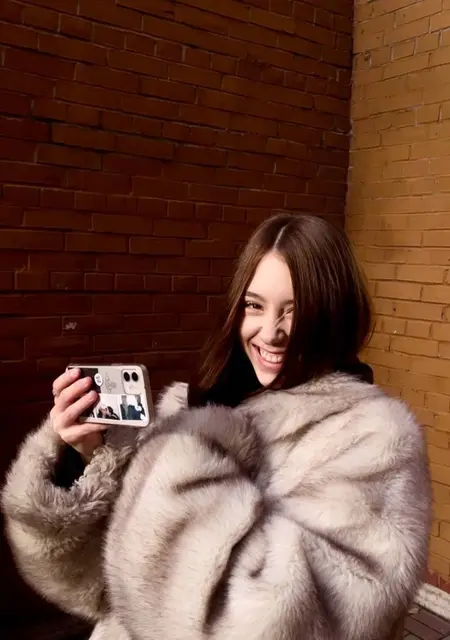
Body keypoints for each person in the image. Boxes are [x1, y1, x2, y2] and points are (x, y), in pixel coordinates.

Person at [1, 214, 430, 640]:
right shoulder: (201, 404)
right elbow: (100, 585)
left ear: (334, 314)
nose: (271, 332)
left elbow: (277, 623)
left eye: (295, 311)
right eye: (254, 305)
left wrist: (183, 460)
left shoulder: (375, 439)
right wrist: (90, 458)